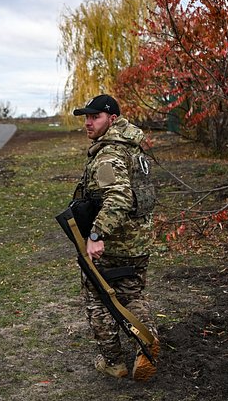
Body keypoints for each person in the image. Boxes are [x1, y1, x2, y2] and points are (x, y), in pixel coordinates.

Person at [71, 94, 159, 381]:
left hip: (114, 242)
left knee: (97, 298)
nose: (88, 122)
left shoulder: (109, 154)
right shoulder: (132, 147)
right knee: (133, 294)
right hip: (138, 241)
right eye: (86, 117)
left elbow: (119, 197)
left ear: (112, 119)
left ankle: (113, 362)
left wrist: (96, 234)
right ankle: (147, 346)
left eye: (94, 117)